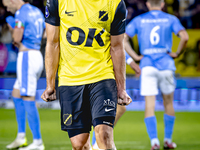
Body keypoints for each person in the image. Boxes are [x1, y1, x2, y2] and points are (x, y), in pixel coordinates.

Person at [41, 0, 132, 150]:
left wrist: (121, 89)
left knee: (104, 135)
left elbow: (117, 47)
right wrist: (50, 85)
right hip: (70, 79)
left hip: (102, 75)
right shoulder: (58, 2)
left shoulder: (115, 3)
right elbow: (53, 42)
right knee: (79, 145)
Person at [125, 0, 189, 150]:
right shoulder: (170, 19)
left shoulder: (139, 20)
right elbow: (185, 37)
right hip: (166, 64)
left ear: (148, 4)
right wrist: (177, 53)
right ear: (162, 4)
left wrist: (135, 56)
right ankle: (168, 140)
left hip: (147, 65)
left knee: (149, 104)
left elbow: (123, 38)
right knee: (168, 103)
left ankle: (154, 142)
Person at [3, 0, 45, 149]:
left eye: (7, 4)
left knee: (28, 96)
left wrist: (12, 28)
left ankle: (38, 142)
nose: (8, 8)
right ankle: (21, 136)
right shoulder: (37, 11)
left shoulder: (21, 13)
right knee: (16, 94)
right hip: (36, 54)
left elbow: (17, 37)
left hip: (27, 57)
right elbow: (45, 33)